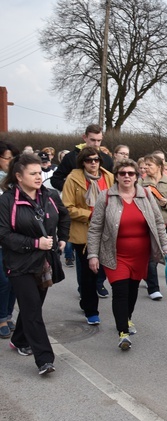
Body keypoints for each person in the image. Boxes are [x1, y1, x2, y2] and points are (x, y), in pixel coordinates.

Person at [87, 159, 167, 350]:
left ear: (137, 176)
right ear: (116, 176)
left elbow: (159, 224)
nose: (126, 176)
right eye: (122, 173)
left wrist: (166, 248)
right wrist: (92, 254)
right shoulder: (106, 196)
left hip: (140, 256)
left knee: (132, 291)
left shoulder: (147, 195)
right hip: (114, 255)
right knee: (121, 291)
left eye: (130, 173)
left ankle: (128, 318)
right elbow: (95, 228)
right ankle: (123, 332)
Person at [0, 153, 70, 375]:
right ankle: (44, 359)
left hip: (45, 264)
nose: (39, 177)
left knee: (33, 307)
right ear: (19, 176)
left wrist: (62, 238)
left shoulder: (49, 195)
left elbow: (64, 216)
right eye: (33, 173)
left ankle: (19, 339)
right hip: (19, 264)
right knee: (32, 310)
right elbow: (3, 234)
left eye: (40, 172)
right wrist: (34, 243)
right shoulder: (6, 200)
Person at [51, 124, 113, 298]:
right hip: (82, 221)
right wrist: (75, 189)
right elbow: (56, 179)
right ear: (84, 137)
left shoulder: (106, 160)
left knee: (103, 259)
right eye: (92, 140)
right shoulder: (72, 158)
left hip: (105, 222)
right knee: (84, 262)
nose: (95, 144)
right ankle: (85, 291)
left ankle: (98, 283)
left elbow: (114, 186)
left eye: (99, 140)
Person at [61, 147, 115, 326]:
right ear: (82, 162)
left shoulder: (108, 176)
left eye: (96, 160)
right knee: (89, 272)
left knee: (103, 271)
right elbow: (67, 207)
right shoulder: (73, 178)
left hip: (107, 231)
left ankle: (86, 300)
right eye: (89, 160)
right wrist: (90, 214)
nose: (93, 163)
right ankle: (91, 310)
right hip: (83, 232)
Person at [138, 153, 167, 300]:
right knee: (151, 256)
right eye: (145, 165)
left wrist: (166, 203)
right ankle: (154, 288)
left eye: (149, 165)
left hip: (164, 224)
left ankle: (147, 277)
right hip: (147, 224)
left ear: (159, 167)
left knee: (160, 254)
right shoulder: (140, 182)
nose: (146, 167)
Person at [0, 141, 19, 339]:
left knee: (14, 280)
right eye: (7, 158)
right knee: (3, 280)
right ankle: (1, 319)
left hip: (14, 240)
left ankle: (7, 313)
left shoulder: (15, 181)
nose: (11, 162)